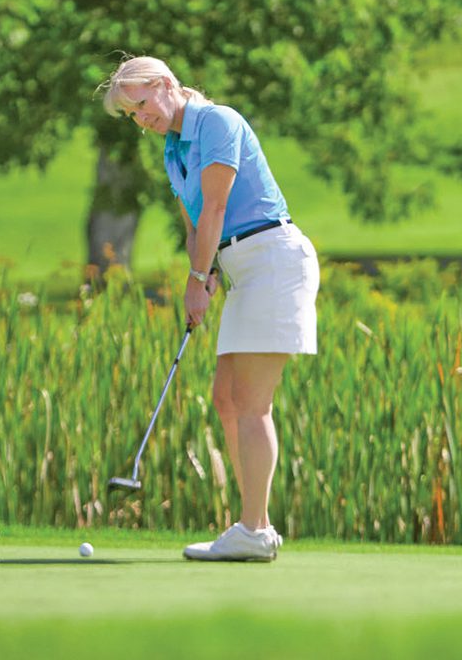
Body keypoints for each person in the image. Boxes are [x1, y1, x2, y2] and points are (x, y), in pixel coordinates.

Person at [101, 56, 320, 563]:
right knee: (226, 399)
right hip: (240, 269)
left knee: (251, 402)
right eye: (132, 115)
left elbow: (218, 207)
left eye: (142, 105)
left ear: (166, 84)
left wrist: (197, 281)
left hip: (273, 260)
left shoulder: (218, 121)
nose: (141, 119)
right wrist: (207, 269)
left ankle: (253, 529)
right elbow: (195, 224)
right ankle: (255, 526)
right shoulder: (173, 149)